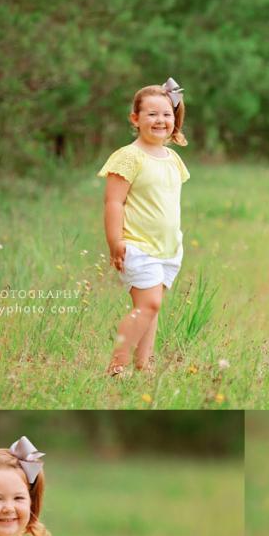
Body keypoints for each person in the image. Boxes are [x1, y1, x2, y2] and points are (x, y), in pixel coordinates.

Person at [98, 76, 190, 376]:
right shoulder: (128, 157)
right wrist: (115, 242)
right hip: (137, 245)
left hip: (168, 248)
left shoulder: (173, 159)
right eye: (152, 114)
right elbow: (114, 203)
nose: (160, 120)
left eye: (166, 114)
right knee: (148, 305)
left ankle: (144, 364)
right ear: (135, 119)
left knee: (153, 309)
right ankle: (117, 365)